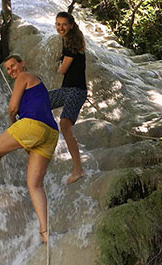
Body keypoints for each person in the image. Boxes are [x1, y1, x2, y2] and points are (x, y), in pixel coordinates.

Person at [0, 54, 59, 243]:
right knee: (34, 185)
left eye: (13, 66)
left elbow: (12, 107)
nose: (12, 71)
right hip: (51, 133)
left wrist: (13, 124)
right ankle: (45, 232)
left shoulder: (24, 76)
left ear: (22, 63)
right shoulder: (37, 82)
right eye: (8, 69)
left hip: (33, 125)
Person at [49, 11, 87, 184]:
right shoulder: (70, 41)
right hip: (68, 90)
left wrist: (59, 64)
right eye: (58, 24)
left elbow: (62, 70)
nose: (60, 27)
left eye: (63, 24)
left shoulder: (71, 45)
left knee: (64, 125)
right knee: (41, 101)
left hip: (76, 91)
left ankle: (78, 169)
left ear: (71, 25)